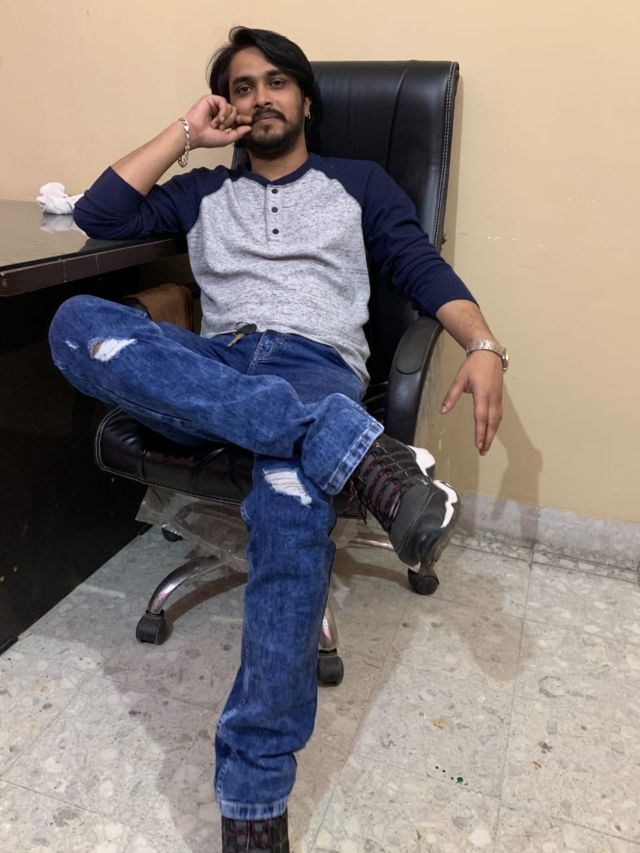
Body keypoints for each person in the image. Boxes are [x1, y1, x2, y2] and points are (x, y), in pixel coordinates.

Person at [48, 26, 506, 853]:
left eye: (275, 82)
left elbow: (420, 267)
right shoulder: (201, 191)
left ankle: (253, 803)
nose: (260, 97)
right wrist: (187, 133)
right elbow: (98, 215)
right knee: (75, 321)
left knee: (292, 500)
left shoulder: (358, 183)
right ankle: (352, 450)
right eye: (241, 86)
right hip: (213, 369)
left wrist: (483, 345)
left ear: (304, 98)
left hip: (313, 368)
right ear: (227, 105)